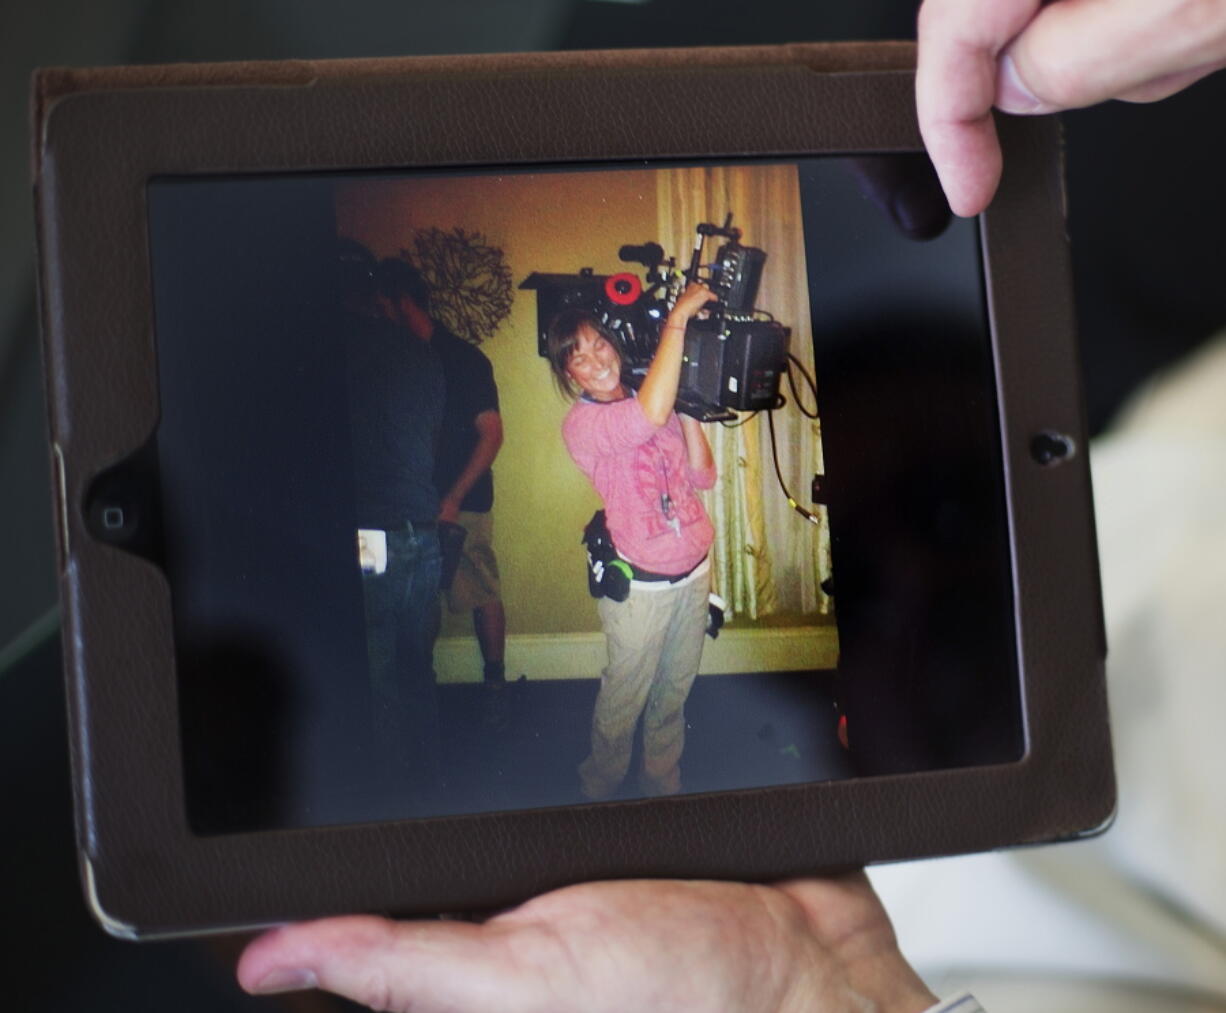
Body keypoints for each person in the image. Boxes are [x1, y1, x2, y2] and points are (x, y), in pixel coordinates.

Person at [237, 8, 1226, 1010]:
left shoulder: (1185, 481)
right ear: (837, 724)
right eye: (859, 600)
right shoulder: (947, 939)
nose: (930, 592)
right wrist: (825, 996)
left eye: (951, 506)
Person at [546, 283, 718, 800]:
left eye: (599, 344)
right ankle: (599, 788)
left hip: (693, 575)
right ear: (567, 373)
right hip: (641, 591)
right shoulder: (583, 424)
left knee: (674, 693)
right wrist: (679, 319)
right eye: (577, 357)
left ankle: (662, 784)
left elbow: (704, 477)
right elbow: (645, 417)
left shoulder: (653, 400)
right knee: (624, 698)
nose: (595, 361)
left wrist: (689, 408)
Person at [376, 258, 509, 690]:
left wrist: (452, 498)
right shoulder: (391, 359)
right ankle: (419, 690)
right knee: (415, 602)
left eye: (382, 305)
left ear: (399, 303)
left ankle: (495, 688)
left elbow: (491, 435)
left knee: (482, 591)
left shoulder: (463, 359)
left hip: (463, 502)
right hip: (408, 504)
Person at [343, 243, 445, 795]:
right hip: (420, 530)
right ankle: (431, 785)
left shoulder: (347, 354)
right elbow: (427, 440)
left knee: (377, 673)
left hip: (370, 529)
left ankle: (389, 796)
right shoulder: (424, 355)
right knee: (416, 668)